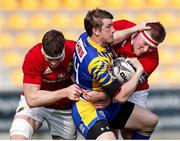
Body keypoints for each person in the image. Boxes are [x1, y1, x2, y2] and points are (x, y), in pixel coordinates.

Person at [72, 8, 159, 139]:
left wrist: (103, 95)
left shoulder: (86, 37)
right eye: (109, 27)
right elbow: (120, 97)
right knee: (111, 138)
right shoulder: (97, 62)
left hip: (106, 102)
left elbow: (115, 38)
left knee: (151, 121)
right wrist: (139, 70)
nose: (113, 29)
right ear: (96, 30)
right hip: (90, 107)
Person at [9, 30, 83, 140]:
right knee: (18, 136)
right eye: (49, 59)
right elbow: (32, 100)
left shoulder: (74, 50)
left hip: (64, 108)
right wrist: (65, 92)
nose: (53, 63)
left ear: (63, 49)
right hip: (37, 105)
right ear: (43, 50)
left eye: (57, 59)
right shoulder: (33, 56)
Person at [112, 20, 166, 139]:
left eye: (151, 47)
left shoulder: (152, 60)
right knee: (110, 130)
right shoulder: (123, 26)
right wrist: (133, 29)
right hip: (109, 82)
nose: (146, 49)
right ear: (138, 33)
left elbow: (128, 85)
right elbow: (107, 40)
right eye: (144, 43)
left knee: (128, 132)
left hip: (135, 91)